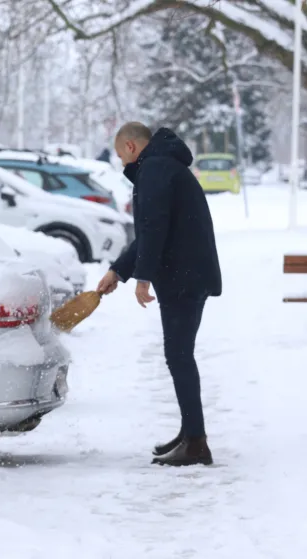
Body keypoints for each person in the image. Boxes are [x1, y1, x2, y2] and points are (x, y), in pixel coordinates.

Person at [96, 122, 222, 467]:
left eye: (122, 156)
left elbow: (154, 229)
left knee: (179, 356)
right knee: (179, 355)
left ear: (132, 147)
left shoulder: (154, 170)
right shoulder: (165, 166)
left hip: (183, 276)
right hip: (188, 273)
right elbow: (151, 231)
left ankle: (196, 443)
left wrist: (142, 279)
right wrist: (118, 271)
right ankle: (190, 432)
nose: (124, 165)